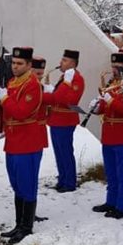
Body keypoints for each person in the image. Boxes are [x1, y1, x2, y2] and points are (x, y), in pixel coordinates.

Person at [0, 47, 47, 244]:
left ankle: (26, 226)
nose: (15, 67)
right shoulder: (13, 81)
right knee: (16, 182)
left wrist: (4, 98)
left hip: (27, 140)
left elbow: (21, 112)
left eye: (19, 64)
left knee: (27, 183)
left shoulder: (32, 85)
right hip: (13, 138)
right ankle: (19, 223)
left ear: (28, 65)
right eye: (13, 63)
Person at [90, 53, 123, 219]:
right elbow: (106, 105)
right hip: (109, 132)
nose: (113, 70)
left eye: (117, 67)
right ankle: (111, 201)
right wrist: (98, 106)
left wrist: (109, 101)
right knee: (111, 171)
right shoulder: (113, 81)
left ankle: (121, 206)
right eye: (112, 66)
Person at [41, 49, 84, 193]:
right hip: (56, 119)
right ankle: (62, 179)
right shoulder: (64, 77)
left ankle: (70, 182)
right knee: (59, 152)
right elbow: (57, 96)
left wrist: (55, 93)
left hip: (66, 119)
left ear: (72, 63)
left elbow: (69, 100)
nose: (60, 62)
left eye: (64, 60)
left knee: (65, 151)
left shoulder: (76, 78)